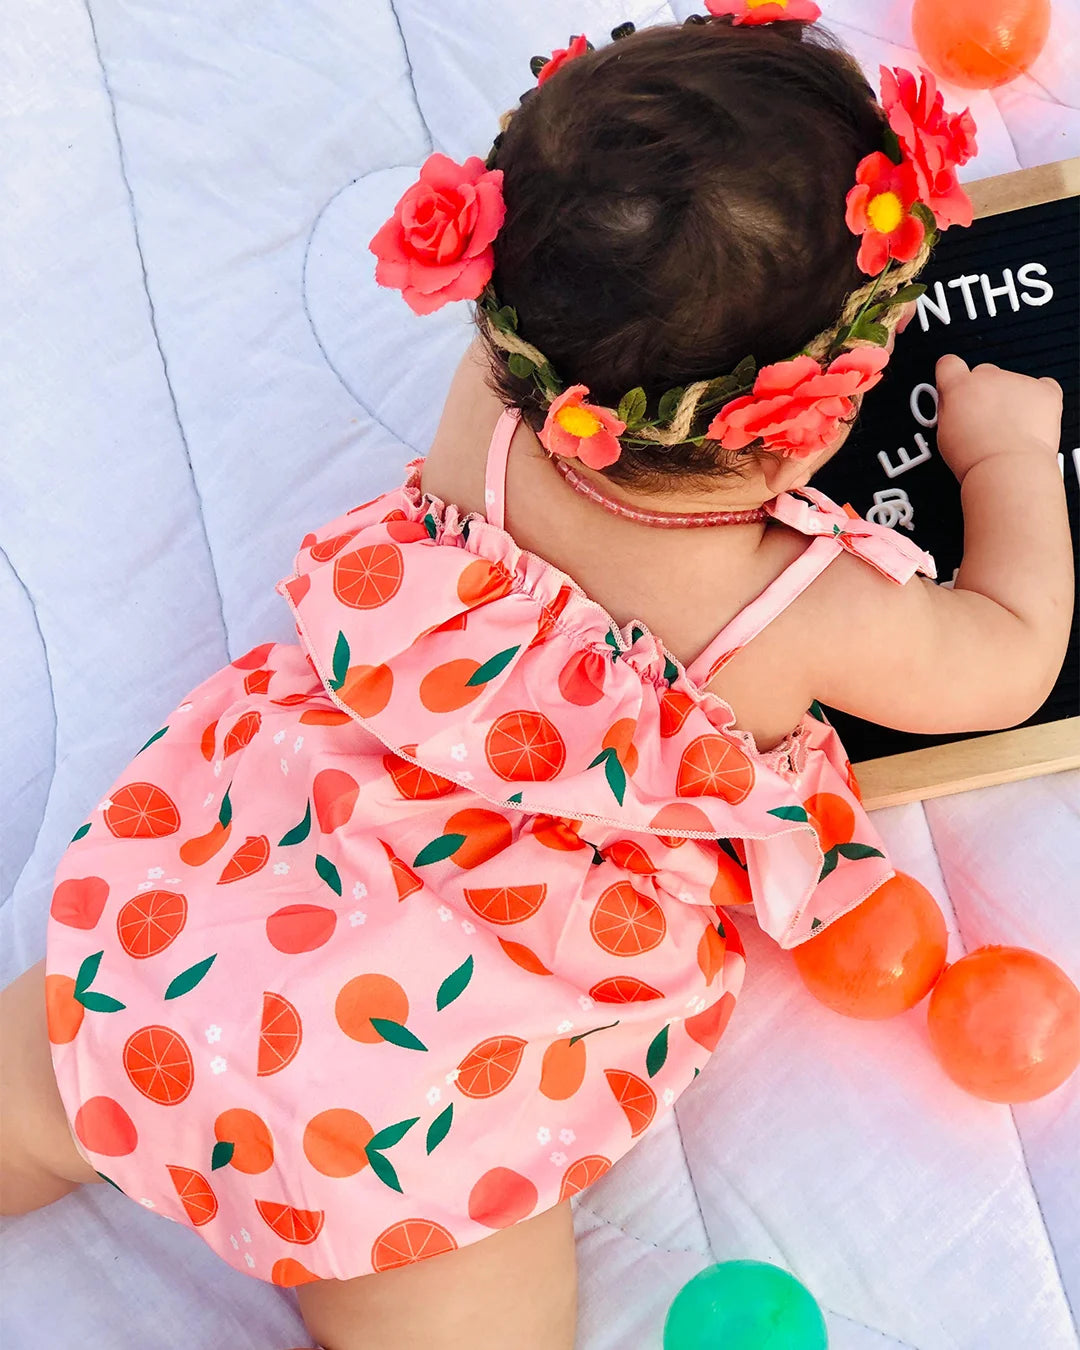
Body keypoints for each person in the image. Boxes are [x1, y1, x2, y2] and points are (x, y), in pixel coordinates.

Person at [1, 11, 1070, 1350]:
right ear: (814, 424)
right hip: (396, 1129)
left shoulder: (491, 416)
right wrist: (1004, 461)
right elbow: (1012, 653)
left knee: (27, 1095)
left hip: (192, 941)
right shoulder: (787, 612)